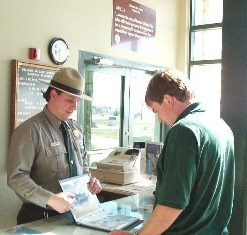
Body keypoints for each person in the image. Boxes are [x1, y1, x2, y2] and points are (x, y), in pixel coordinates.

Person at [109, 69, 235, 235]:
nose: (159, 119)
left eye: (155, 110)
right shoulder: (220, 126)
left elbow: (172, 204)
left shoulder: (183, 131)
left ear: (168, 100)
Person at [7, 67, 102, 225]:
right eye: (70, 100)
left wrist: (90, 181)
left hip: (75, 215)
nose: (75, 107)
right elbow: (16, 177)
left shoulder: (76, 129)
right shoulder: (30, 131)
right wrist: (49, 199)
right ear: (53, 94)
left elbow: (83, 166)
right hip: (40, 217)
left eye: (77, 101)